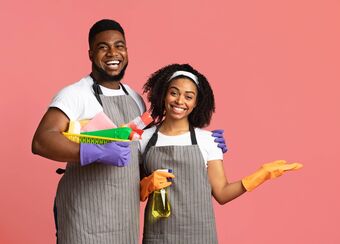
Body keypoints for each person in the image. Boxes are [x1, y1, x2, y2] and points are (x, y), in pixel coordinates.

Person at [31, 20, 227, 244]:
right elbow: (42, 140)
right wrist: (95, 152)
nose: (112, 53)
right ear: (90, 53)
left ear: (126, 50)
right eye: (103, 47)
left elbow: (149, 151)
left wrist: (207, 145)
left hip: (125, 218)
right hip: (83, 215)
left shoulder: (135, 100)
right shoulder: (75, 94)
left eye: (119, 45)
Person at [139, 63, 302, 244]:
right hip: (159, 235)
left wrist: (261, 175)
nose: (180, 101)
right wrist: (145, 185)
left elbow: (222, 193)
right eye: (174, 93)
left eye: (189, 96)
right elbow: (129, 192)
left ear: (196, 103)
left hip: (200, 235)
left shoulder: (208, 140)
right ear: (163, 94)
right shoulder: (143, 139)